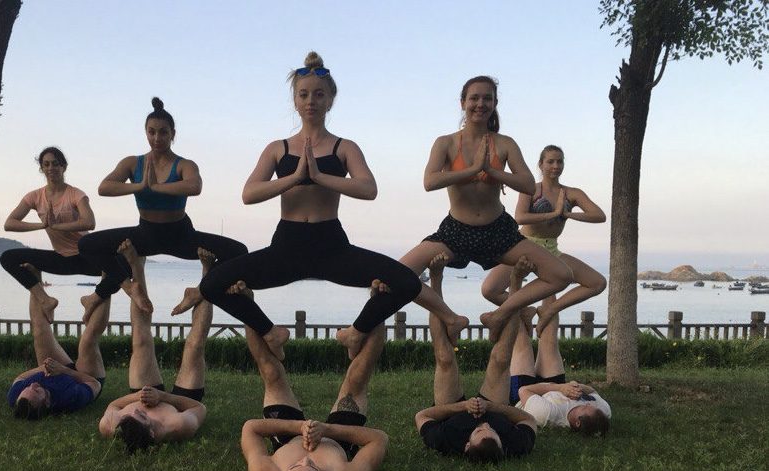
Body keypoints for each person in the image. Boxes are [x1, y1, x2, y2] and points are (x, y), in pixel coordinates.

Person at [191, 51, 465, 361]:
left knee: (403, 280)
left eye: (319, 94)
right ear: (295, 101)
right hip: (286, 247)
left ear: (330, 100)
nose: (311, 101)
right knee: (212, 283)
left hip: (331, 246)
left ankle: (357, 332)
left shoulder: (343, 147)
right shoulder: (278, 148)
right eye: (304, 94)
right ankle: (271, 332)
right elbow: (249, 194)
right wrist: (295, 177)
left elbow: (368, 189)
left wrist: (320, 176)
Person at [398, 76, 572, 343]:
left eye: (487, 98)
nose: (480, 104)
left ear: (495, 103)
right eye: (474, 98)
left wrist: (491, 170)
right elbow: (429, 181)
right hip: (456, 231)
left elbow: (527, 183)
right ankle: (451, 317)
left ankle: (502, 313)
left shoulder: (504, 143)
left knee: (561, 275)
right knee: (394, 277)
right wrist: (472, 170)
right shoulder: (445, 143)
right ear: (463, 103)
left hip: (498, 230)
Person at [78, 97, 247, 323]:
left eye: (163, 132)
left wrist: (157, 186)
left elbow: (194, 186)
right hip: (145, 234)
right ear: (145, 132)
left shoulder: (184, 164)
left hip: (180, 235)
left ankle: (198, 291)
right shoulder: (132, 163)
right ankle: (125, 288)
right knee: (87, 245)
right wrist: (139, 186)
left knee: (239, 251)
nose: (157, 138)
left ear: (173, 134)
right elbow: (104, 188)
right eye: (151, 132)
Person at [240, 301, 389, 471]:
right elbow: (379, 439)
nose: (306, 458)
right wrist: (326, 430)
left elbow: (250, 428)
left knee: (271, 373)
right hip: (337, 440)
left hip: (288, 436)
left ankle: (244, 300)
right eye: (313, 468)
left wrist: (299, 427)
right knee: (358, 376)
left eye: (296, 466)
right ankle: (381, 300)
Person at [415, 258, 537, 462]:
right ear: (501, 442)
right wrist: (491, 408)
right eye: (493, 432)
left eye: (480, 432)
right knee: (502, 359)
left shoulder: (446, 439)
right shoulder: (515, 443)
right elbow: (529, 420)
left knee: (444, 358)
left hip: (452, 413)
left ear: (467, 444)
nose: (485, 425)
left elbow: (422, 416)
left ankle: (436, 278)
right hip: (493, 406)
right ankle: (516, 282)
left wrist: (462, 407)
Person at [481, 144, 606, 336]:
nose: (555, 166)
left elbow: (599, 215)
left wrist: (567, 214)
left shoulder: (572, 193)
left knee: (597, 283)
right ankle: (525, 310)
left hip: (551, 249)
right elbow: (520, 217)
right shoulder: (531, 189)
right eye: (550, 161)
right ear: (541, 165)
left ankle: (549, 309)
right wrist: (552, 214)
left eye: (560, 161)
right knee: (490, 290)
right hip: (523, 245)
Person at [98, 240, 209, 453]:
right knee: (194, 347)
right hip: (180, 404)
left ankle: (137, 264)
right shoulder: (178, 426)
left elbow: (113, 406)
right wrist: (163, 398)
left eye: (133, 414)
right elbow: (200, 408)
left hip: (144, 391)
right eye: (141, 417)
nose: (141, 412)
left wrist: (138, 398)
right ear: (152, 433)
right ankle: (208, 275)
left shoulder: (111, 425)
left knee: (141, 339)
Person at [1, 146, 100, 322]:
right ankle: (45, 300)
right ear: (41, 168)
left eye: (55, 164)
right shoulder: (34, 196)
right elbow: (10, 224)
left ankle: (93, 299)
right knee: (8, 257)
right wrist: (42, 225)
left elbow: (89, 222)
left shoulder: (76, 194)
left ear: (64, 167)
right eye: (46, 164)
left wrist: (57, 226)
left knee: (125, 269)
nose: (50, 168)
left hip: (85, 258)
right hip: (60, 259)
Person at [8, 289, 107, 420]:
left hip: (57, 369)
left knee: (39, 332)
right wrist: (64, 370)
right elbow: (95, 384)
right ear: (47, 403)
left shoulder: (16, 396)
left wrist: (42, 368)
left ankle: (33, 274)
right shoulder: (68, 398)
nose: (34, 385)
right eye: (37, 391)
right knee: (88, 341)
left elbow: (20, 378)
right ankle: (108, 280)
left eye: (28, 387)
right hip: (86, 379)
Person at [514, 310, 611, 435]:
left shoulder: (547, 414)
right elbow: (592, 391)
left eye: (585, 407)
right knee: (550, 337)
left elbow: (524, 390)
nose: (587, 403)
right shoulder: (602, 411)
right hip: (557, 388)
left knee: (522, 343)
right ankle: (545, 294)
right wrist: (576, 386)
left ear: (577, 422)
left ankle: (514, 303)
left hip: (527, 394)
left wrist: (561, 388)